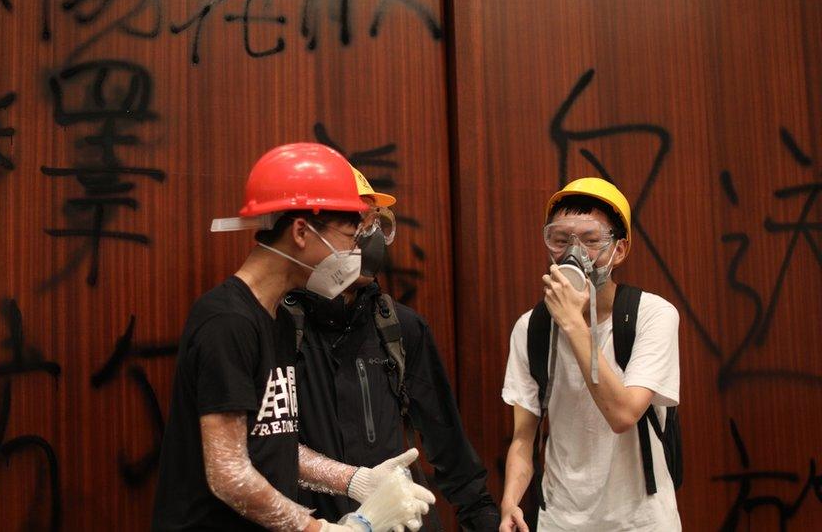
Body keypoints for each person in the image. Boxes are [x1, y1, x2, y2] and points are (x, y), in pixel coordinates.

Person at [151, 142, 434, 532]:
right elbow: (229, 471)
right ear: (301, 230)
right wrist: (321, 530)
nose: (356, 253)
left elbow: (271, 444)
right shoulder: (227, 321)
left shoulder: (281, 320)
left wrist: (355, 480)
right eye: (351, 237)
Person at [289, 168, 500, 531]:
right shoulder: (277, 328)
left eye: (375, 227)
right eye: (356, 228)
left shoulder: (399, 327)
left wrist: (484, 520)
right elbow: (258, 449)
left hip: (402, 523)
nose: (368, 242)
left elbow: (448, 446)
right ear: (307, 235)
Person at [499, 178, 681, 531]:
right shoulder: (530, 327)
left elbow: (623, 414)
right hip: (561, 519)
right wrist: (510, 502)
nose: (574, 253)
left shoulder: (654, 315)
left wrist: (572, 324)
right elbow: (524, 436)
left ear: (620, 249)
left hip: (642, 522)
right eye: (560, 239)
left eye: (591, 240)